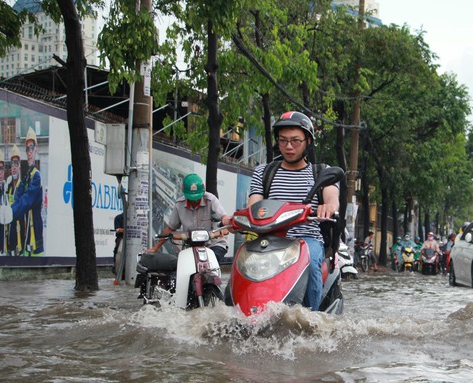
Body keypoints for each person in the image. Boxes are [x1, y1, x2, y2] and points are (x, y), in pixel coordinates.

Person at [247, 111, 340, 311]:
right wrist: (241, 216)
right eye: (283, 141)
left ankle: (310, 318)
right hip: (269, 241)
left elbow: (332, 198)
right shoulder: (263, 172)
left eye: (295, 141)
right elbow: (253, 205)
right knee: (243, 260)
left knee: (312, 260)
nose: (289, 147)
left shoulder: (321, 172)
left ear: (308, 141)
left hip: (307, 240)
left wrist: (328, 207)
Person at [146, 173, 232, 264]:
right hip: (192, 247)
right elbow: (170, 228)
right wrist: (155, 248)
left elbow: (224, 217)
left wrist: (225, 224)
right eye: (191, 198)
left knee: (209, 264)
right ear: (185, 194)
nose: (195, 200)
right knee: (183, 268)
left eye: (198, 197)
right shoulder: (179, 205)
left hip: (214, 244)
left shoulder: (211, 199)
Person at [12, 128, 44, 256]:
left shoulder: (36, 176)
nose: (29, 152)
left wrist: (12, 211)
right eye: (27, 149)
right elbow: (18, 197)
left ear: (36, 150)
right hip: (25, 233)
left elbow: (27, 200)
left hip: (34, 234)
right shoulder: (27, 176)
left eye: (32, 148)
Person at [5, 145, 24, 256]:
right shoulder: (9, 186)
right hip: (9, 228)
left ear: (19, 166)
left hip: (19, 228)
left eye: (16, 164)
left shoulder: (22, 185)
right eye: (12, 164)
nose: (14, 167)